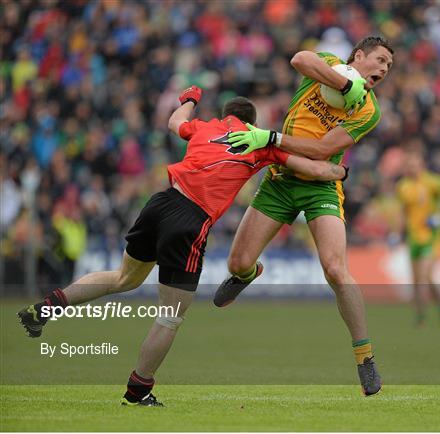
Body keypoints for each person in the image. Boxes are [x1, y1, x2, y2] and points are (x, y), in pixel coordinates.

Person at [17, 86, 348, 407]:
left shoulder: (204, 127)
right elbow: (317, 169)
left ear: (226, 115)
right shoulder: (259, 142)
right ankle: (138, 390)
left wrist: (189, 99)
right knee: (170, 317)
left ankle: (46, 308)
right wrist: (341, 171)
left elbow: (174, 122)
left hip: (161, 202)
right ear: (253, 122)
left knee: (123, 279)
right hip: (190, 221)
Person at [213, 36, 394, 396]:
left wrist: (273, 138)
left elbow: (324, 149)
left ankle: (365, 358)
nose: (385, 69)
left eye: (389, 66)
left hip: (320, 185)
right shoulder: (326, 63)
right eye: (380, 59)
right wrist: (341, 83)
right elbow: (299, 58)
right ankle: (250, 273)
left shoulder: (369, 110)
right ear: (359, 56)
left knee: (335, 269)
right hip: (280, 181)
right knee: (237, 263)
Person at [395, 149, 440, 327]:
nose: (412, 168)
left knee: (424, 276)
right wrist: (396, 233)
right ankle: (433, 313)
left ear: (422, 165)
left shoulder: (433, 182)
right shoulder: (403, 186)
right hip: (413, 237)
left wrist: (439, 216)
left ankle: (429, 317)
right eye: (408, 165)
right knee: (418, 280)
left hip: (431, 237)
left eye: (415, 165)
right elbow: (403, 212)